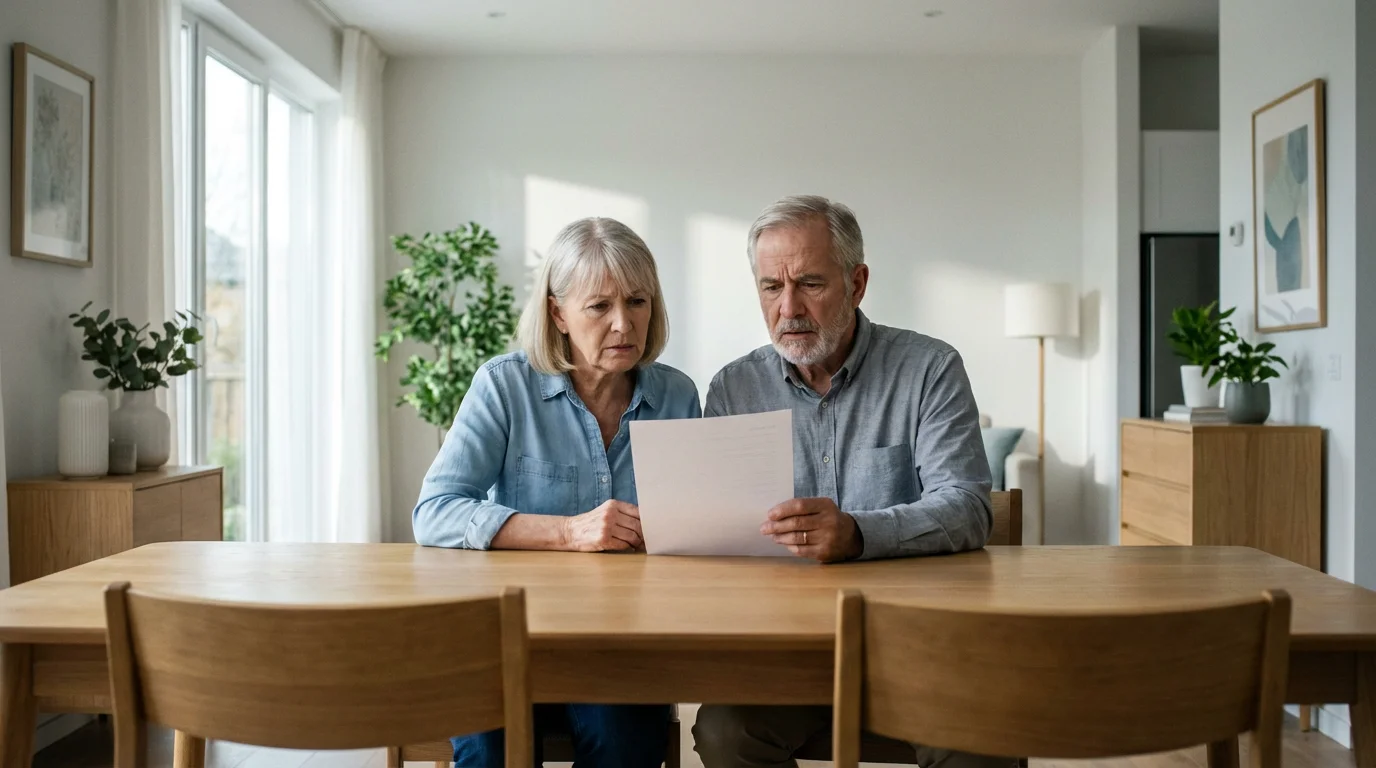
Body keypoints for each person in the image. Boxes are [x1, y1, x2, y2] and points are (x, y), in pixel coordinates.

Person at [693, 195, 1011, 768]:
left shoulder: (929, 369)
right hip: (785, 654)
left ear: (857, 282)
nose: (788, 308)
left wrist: (860, 534)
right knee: (723, 732)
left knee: (978, 737)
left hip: (919, 645)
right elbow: (721, 537)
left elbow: (968, 507)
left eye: (810, 284)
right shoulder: (732, 390)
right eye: (771, 287)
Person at [414, 217, 699, 768]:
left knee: (621, 744)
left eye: (637, 301)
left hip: (619, 645)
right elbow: (435, 513)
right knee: (487, 750)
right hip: (506, 642)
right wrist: (569, 532)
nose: (623, 323)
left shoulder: (678, 396)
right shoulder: (503, 385)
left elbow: (692, 535)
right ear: (557, 312)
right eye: (599, 307)